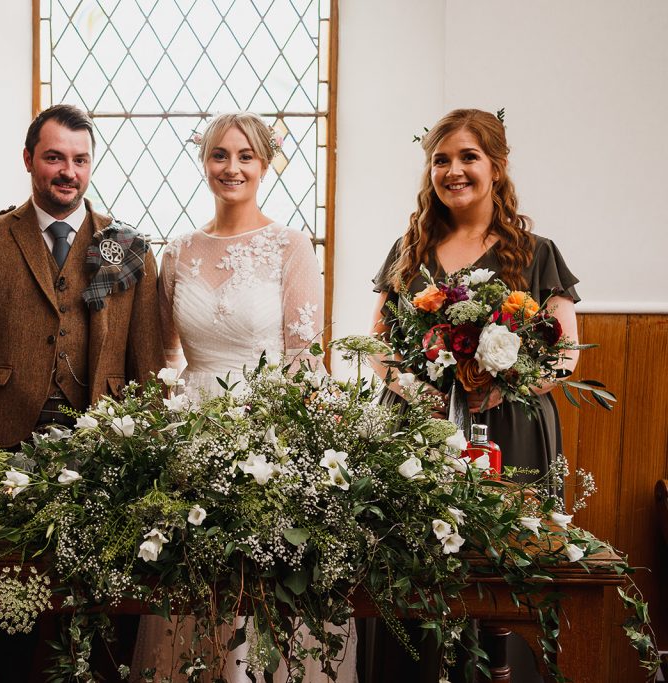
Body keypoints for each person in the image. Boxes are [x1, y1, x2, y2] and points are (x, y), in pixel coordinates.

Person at [0, 103, 165, 681]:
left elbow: (147, 363)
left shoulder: (126, 244)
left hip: (103, 444)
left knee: (101, 605)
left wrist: (148, 460)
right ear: (28, 160)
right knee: (9, 605)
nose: (68, 171)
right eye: (55, 158)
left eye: (80, 160)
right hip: (4, 445)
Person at [132, 112, 357, 682]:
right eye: (220, 155)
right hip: (191, 433)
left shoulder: (290, 246)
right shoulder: (177, 253)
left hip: (268, 430)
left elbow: (304, 357)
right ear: (204, 161)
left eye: (245, 156)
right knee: (196, 580)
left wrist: (296, 445)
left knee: (258, 583)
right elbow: (164, 355)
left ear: (265, 164)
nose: (231, 167)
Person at [363, 108, 580, 682]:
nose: (453, 171)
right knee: (410, 573)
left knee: (499, 581)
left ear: (497, 167)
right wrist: (416, 392)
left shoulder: (536, 252)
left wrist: (502, 386)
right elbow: (378, 344)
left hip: (508, 428)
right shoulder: (409, 250)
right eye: (441, 160)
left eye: (468, 157)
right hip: (416, 426)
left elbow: (565, 351)